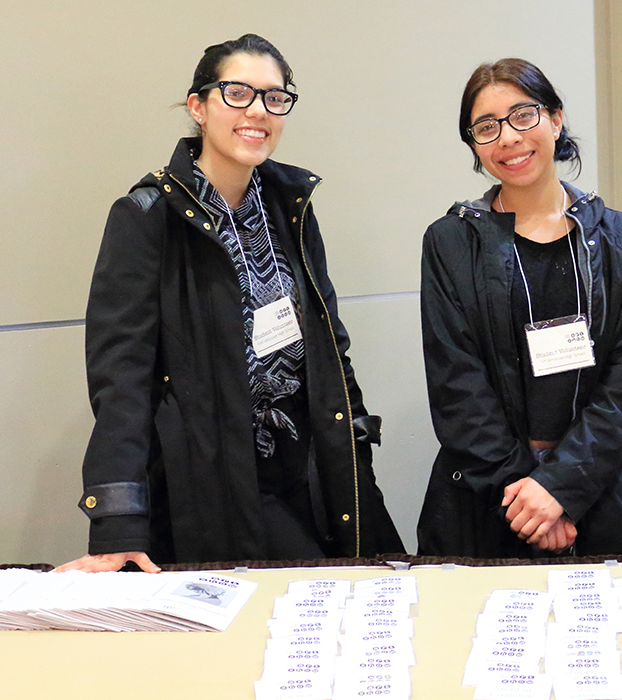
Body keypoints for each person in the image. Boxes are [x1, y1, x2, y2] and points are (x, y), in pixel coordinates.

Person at [57, 34, 403, 573]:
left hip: (310, 468)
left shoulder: (291, 206)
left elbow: (329, 343)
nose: (258, 112)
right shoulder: (148, 216)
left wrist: (354, 451)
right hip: (216, 474)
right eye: (237, 93)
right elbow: (119, 378)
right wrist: (117, 521)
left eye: (274, 97)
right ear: (198, 106)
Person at [417, 58, 622, 558]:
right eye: (486, 127)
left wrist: (562, 487)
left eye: (523, 115)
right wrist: (528, 496)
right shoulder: (450, 243)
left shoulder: (618, 238)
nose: (508, 138)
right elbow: (456, 384)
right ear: (473, 144)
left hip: (602, 488)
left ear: (555, 119)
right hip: (491, 493)